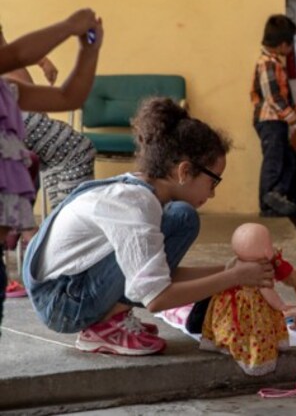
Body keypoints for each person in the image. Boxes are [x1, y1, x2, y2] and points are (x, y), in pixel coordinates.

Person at [22, 98, 275, 356]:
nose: (212, 194)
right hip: (64, 304)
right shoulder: (135, 206)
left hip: (71, 288)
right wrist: (234, 278)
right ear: (184, 171)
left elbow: (158, 274)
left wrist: (227, 269)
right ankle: (103, 327)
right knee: (181, 219)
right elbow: (158, 297)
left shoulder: (143, 194)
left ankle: (111, 315)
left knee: (181, 216)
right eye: (213, 182)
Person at [0, 9, 102, 335]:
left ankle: (52, 247)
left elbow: (69, 96)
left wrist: (89, 50)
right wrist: (69, 27)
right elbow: (16, 53)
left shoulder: (7, 94)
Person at [201, 223, 294, 375]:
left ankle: (223, 340)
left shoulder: (233, 261)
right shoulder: (259, 270)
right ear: (266, 250)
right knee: (256, 329)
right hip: (251, 309)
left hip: (230, 306)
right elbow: (267, 292)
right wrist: (280, 305)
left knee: (229, 324)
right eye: (270, 243)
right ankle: (257, 351)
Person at [250, 14, 296, 217]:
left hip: (278, 120)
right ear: (284, 44)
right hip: (269, 121)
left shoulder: (276, 63)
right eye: (291, 43)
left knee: (288, 160)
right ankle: (268, 201)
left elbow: (285, 96)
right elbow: (273, 97)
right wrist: (289, 115)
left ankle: (278, 196)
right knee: (273, 161)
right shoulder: (266, 63)